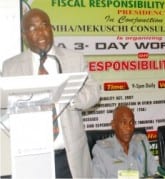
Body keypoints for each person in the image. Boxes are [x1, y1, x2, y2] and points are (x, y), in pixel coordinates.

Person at [2, 8, 100, 178]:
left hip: (69, 157)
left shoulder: (73, 59)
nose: (41, 32)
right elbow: (3, 106)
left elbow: (94, 91)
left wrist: (72, 98)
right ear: (24, 36)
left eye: (44, 25)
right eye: (33, 28)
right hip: (32, 156)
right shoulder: (11, 67)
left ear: (51, 29)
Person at [92, 105, 158, 178]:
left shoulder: (141, 144)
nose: (128, 128)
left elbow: (156, 172)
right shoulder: (101, 151)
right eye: (123, 123)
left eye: (131, 123)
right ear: (113, 125)